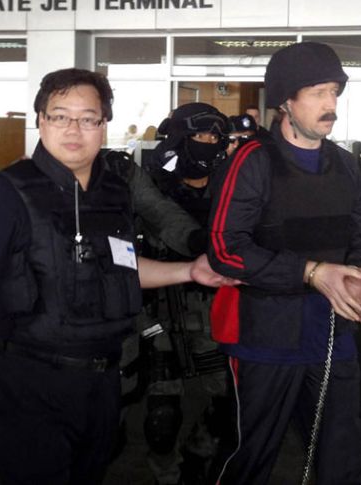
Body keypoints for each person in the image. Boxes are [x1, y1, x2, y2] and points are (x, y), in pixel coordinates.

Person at [0, 68, 236, 485]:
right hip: (28, 381)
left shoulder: (114, 193)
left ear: (103, 125)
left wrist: (189, 269)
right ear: (41, 120)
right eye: (60, 116)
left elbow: (122, 267)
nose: (73, 129)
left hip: (100, 382)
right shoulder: (7, 194)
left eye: (87, 118)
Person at [207, 42, 361, 485]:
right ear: (285, 101)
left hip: (332, 338)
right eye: (318, 93)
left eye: (334, 92)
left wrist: (359, 273)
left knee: (342, 463)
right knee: (248, 459)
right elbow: (225, 248)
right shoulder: (252, 162)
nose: (331, 105)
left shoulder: (347, 166)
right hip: (265, 340)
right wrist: (311, 272)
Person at [140, 102, 238, 485]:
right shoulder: (149, 187)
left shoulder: (232, 186)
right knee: (161, 420)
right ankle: (165, 475)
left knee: (225, 408)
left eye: (215, 137)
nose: (208, 143)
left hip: (214, 314)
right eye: (200, 135)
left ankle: (196, 464)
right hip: (160, 316)